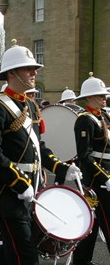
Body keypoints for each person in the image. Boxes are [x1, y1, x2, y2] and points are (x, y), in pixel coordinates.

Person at [0, 40, 82, 264]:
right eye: (28, 68)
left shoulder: (31, 106)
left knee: (13, 247)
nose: (34, 71)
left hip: (33, 187)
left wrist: (61, 167)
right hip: (8, 190)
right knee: (25, 253)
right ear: (12, 73)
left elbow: (38, 146)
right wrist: (18, 182)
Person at [72, 73, 110, 265]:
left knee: (92, 224)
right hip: (97, 181)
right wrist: (105, 179)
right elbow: (85, 156)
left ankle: (81, 260)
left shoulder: (104, 115)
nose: (104, 97)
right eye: (99, 95)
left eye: (104, 94)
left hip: (105, 176)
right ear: (89, 97)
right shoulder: (85, 120)